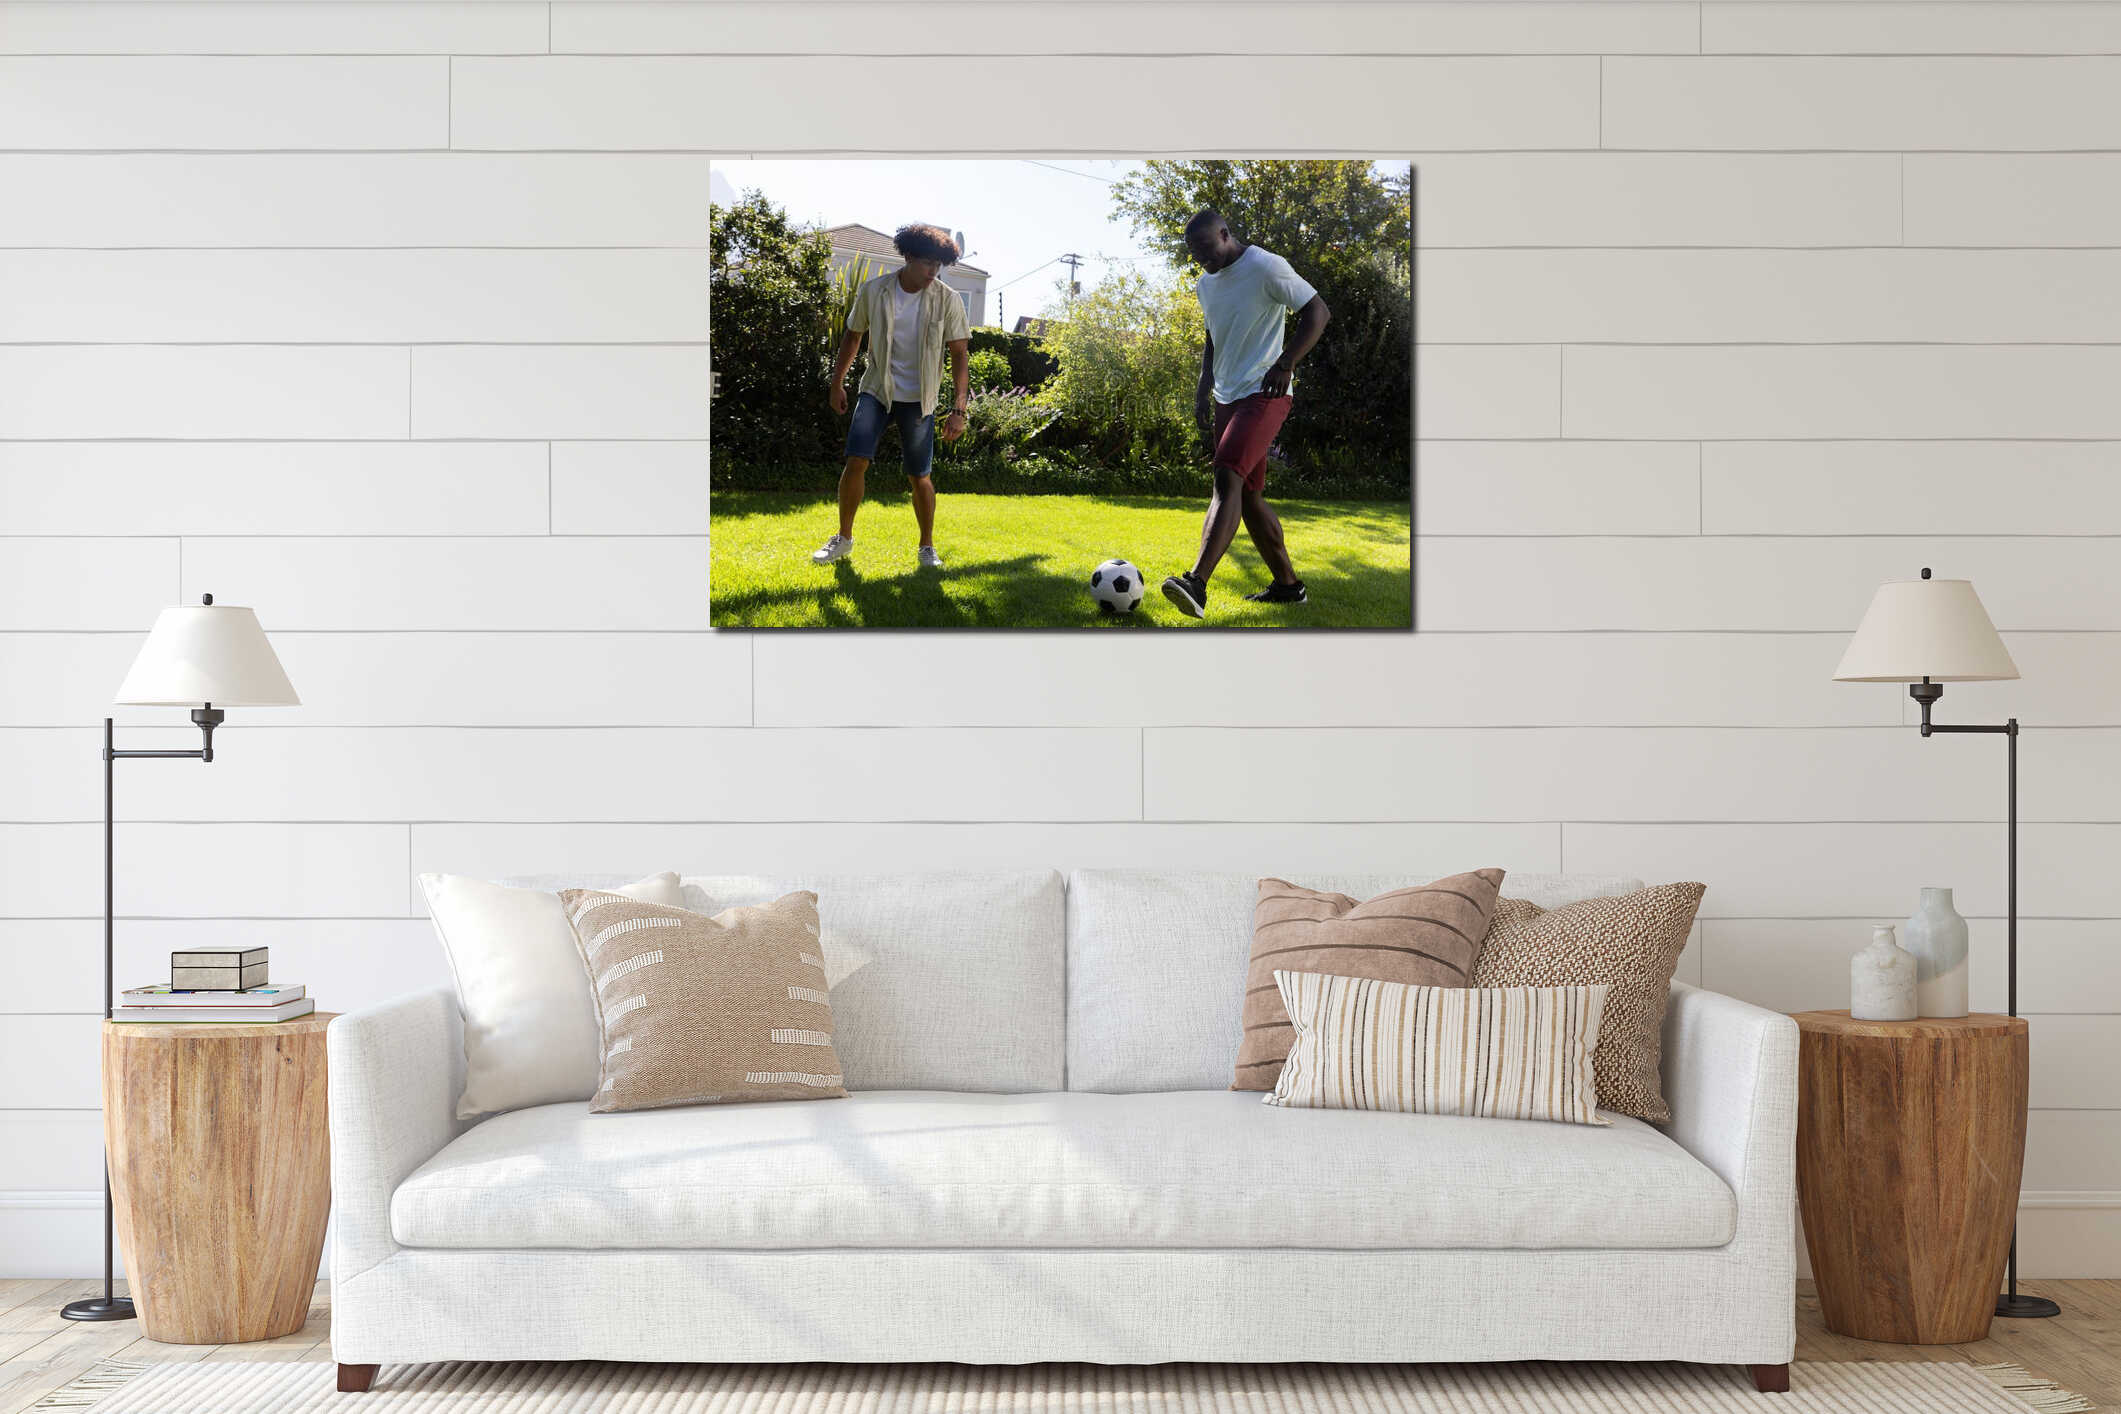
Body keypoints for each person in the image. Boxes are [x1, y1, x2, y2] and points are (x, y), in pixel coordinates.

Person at [1160, 209, 1330, 620]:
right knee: (1250, 497)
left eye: (1206, 248)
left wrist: (1286, 362)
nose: (1202, 259)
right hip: (1227, 394)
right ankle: (1289, 587)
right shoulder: (1205, 284)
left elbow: (1318, 312)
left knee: (1226, 475)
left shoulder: (1266, 266)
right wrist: (1204, 388)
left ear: (1224, 234)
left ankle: (1196, 583)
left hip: (1265, 391)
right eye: (1195, 253)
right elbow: (1213, 336)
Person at [812, 224, 972, 569]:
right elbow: (853, 337)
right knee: (856, 460)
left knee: (920, 476)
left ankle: (926, 547)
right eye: (928, 263)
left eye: (939, 266)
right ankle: (843, 539)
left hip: (919, 398)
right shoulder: (875, 290)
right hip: (876, 389)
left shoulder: (948, 300)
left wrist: (959, 409)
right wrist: (837, 381)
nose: (933, 272)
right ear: (909, 256)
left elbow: (960, 355)